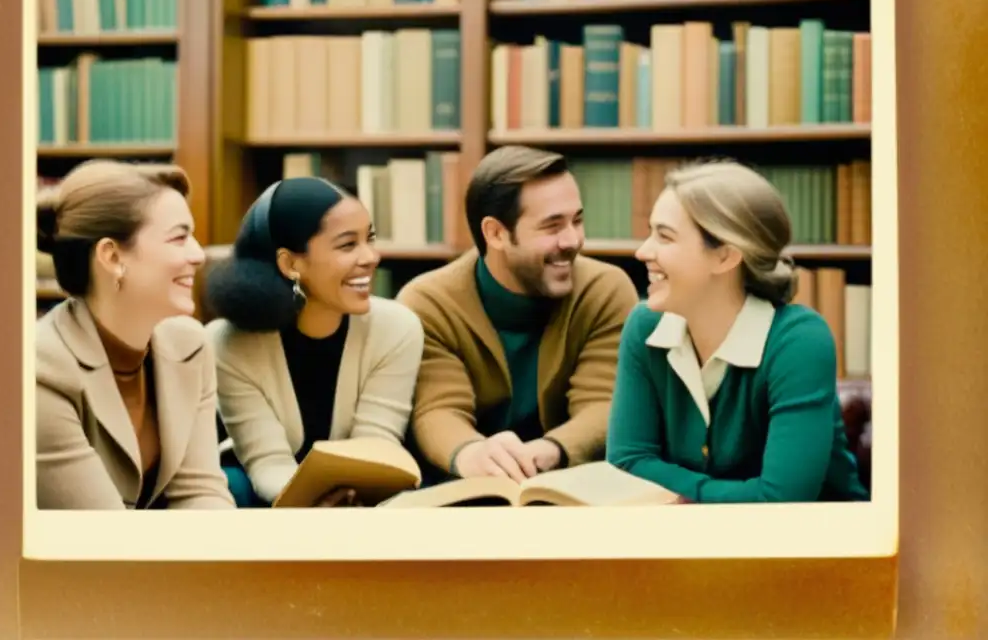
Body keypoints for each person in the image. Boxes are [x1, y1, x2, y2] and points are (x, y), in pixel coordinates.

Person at [605, 160, 870, 503]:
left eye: (664, 237)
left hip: (820, 549)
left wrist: (683, 495)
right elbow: (626, 461)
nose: (643, 251)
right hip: (689, 546)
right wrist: (724, 496)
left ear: (726, 257)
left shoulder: (799, 341)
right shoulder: (644, 326)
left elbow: (780, 500)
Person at [396, 146, 639, 486]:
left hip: (574, 491)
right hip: (462, 496)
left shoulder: (605, 290)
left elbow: (603, 404)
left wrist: (550, 450)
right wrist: (471, 453)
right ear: (496, 233)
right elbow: (437, 409)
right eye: (552, 226)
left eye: (578, 220)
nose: (573, 240)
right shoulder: (428, 302)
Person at [204, 177, 424, 508]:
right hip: (271, 492)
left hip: (364, 491)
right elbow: (267, 460)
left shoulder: (398, 328)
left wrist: (350, 500)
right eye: (348, 245)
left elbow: (377, 443)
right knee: (231, 487)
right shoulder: (226, 342)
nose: (371, 257)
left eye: (370, 239)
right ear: (291, 264)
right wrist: (311, 506)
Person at [35, 160, 234, 510]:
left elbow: (201, 494)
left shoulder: (190, 344)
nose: (199, 254)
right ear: (111, 257)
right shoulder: (41, 370)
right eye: (179, 237)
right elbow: (106, 537)